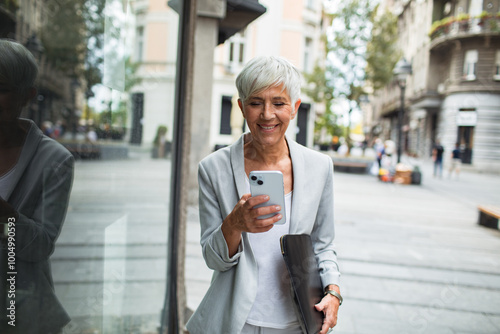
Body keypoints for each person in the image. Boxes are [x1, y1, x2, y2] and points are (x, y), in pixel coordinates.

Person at [186, 56, 341, 334]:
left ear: (294, 108)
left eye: (278, 103)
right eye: (256, 103)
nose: (267, 114)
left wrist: (333, 291)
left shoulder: (319, 167)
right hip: (236, 321)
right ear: (242, 107)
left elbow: (323, 244)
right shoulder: (213, 169)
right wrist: (234, 224)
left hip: (297, 320)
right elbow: (213, 259)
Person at [0, 39, 74, 333]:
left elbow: (40, 246)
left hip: (17, 312)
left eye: (1, 89)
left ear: (26, 96)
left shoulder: (53, 160)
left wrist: (5, 215)